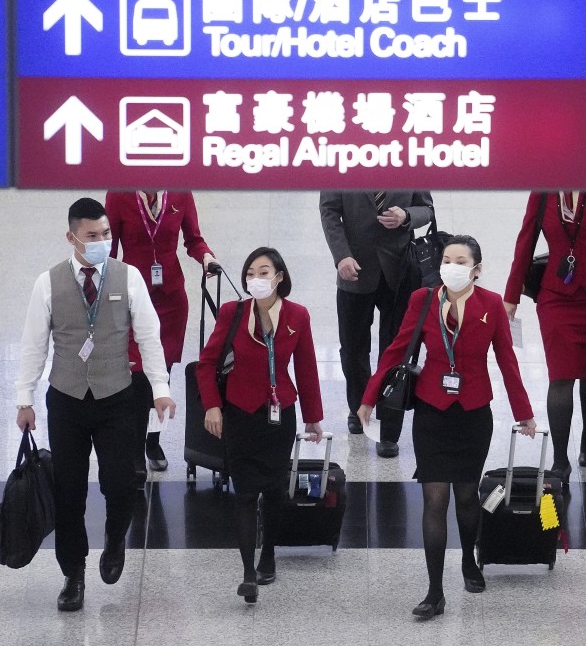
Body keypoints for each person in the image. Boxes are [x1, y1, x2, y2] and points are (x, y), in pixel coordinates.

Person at [357, 235, 536, 620]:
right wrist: (369, 397)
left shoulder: (490, 306)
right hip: (432, 412)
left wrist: (524, 412)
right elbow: (396, 349)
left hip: (473, 413)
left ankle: (470, 560)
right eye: (447, 260)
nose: (451, 267)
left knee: (468, 497)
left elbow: (507, 362)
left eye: (460, 261)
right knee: (435, 499)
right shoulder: (423, 301)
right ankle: (434, 591)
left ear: (476, 269)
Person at [15, 198, 176, 612]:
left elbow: (149, 336)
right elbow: (34, 344)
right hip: (67, 399)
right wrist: (24, 398)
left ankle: (115, 538)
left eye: (106, 234)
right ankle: (74, 575)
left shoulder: (129, 277)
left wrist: (160, 386)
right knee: (69, 491)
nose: (103, 241)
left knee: (121, 484)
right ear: (72, 238)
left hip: (118, 396)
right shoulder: (48, 283)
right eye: (92, 236)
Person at [196, 247, 324, 604]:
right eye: (250, 273)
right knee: (245, 492)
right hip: (239, 413)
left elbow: (307, 367)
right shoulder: (232, 313)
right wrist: (212, 407)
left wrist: (313, 417)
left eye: (264, 272)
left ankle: (268, 551)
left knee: (273, 490)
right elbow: (206, 365)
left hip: (279, 414)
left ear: (279, 276)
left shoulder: (297, 315)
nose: (257, 279)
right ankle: (248, 572)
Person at [504, 191, 586, 484]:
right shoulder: (542, 194)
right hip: (555, 296)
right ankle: (559, 457)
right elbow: (524, 244)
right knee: (560, 375)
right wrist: (511, 296)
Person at [105, 190, 217, 479]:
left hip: (171, 300)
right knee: (140, 376)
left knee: (162, 377)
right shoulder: (118, 196)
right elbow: (110, 248)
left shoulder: (181, 193)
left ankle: (152, 442)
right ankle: (134, 452)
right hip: (133, 296)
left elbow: (193, 239)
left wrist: (206, 258)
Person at [320, 190, 433, 457]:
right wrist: (341, 255)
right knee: (352, 347)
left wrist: (406, 216)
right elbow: (329, 212)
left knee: (397, 351)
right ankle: (358, 406)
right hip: (353, 267)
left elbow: (427, 208)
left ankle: (389, 428)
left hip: (401, 268)